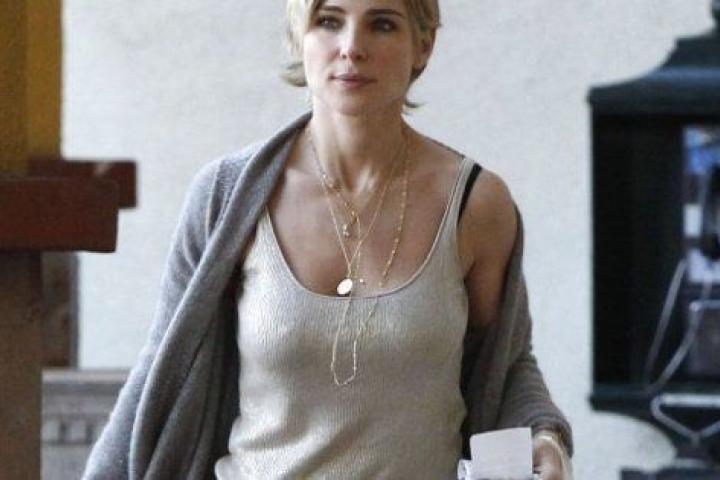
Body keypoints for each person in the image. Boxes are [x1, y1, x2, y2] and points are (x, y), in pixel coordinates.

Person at [83, 0, 573, 479]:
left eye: (382, 24)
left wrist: (544, 437)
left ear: (423, 44)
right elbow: (163, 370)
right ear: (299, 37)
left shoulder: (476, 204)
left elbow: (506, 365)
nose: (351, 47)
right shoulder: (227, 198)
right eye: (329, 21)